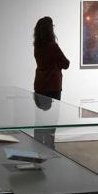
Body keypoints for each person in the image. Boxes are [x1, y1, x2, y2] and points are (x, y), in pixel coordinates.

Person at [33, 16, 69, 147]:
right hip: (52, 87)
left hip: (39, 85)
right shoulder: (52, 46)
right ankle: (49, 148)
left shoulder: (37, 46)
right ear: (49, 29)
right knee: (52, 121)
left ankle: (37, 147)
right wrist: (57, 63)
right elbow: (66, 63)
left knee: (39, 120)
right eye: (52, 26)